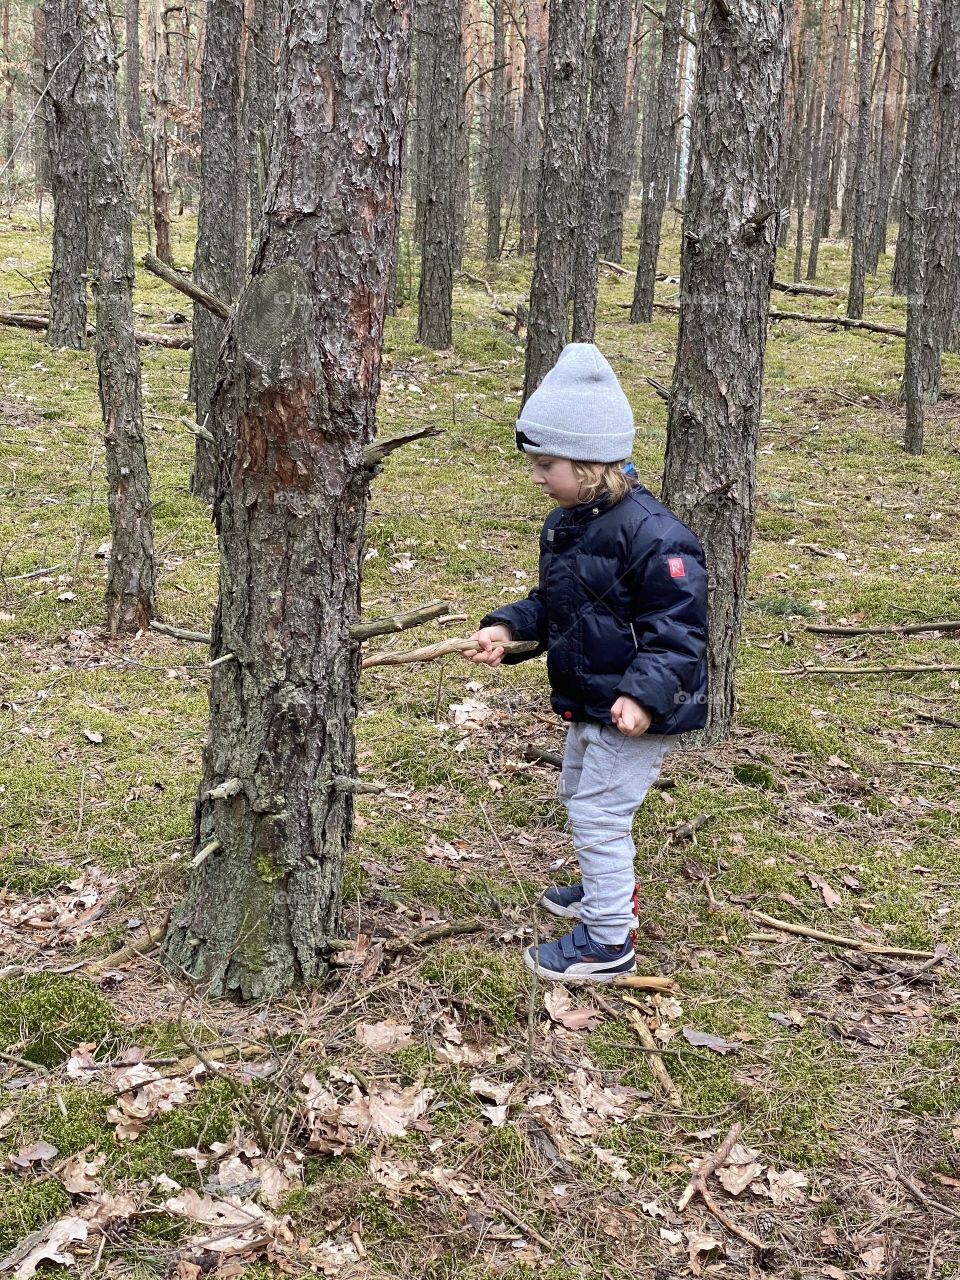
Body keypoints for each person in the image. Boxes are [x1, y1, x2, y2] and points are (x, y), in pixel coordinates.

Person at [465, 343, 709, 983]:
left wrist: (644, 696)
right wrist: (507, 626)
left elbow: (679, 631)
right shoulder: (569, 522)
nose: (538, 476)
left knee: (600, 814)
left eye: (548, 464)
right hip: (591, 697)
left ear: (593, 461)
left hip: (629, 709)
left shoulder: (657, 536)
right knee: (581, 796)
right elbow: (556, 604)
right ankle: (608, 892)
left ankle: (607, 943)